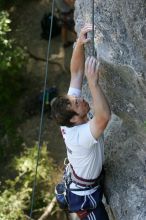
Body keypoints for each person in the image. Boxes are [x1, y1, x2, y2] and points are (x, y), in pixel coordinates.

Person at [51, 24, 111, 220]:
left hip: (81, 180)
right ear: (75, 119)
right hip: (86, 200)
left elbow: (76, 73)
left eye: (75, 99)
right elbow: (103, 118)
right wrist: (93, 83)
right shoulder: (79, 136)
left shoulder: (67, 116)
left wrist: (79, 43)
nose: (81, 99)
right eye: (78, 104)